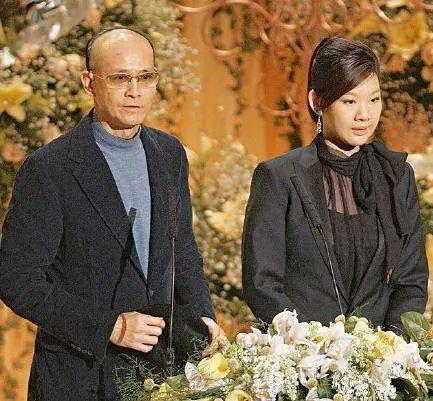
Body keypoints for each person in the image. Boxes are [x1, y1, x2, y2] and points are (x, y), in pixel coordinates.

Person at [0, 27, 226, 401]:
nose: (135, 91)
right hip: (79, 379)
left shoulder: (169, 154)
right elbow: (17, 280)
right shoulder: (49, 168)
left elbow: (182, 251)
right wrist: (110, 327)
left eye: (145, 78)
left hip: (160, 376)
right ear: (89, 82)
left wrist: (203, 317)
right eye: (121, 78)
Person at [242, 37, 428, 331]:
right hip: (302, 353)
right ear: (317, 102)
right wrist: (308, 344)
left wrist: (391, 345)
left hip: (380, 354)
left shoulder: (396, 176)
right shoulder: (278, 177)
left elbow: (411, 279)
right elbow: (261, 284)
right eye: (349, 101)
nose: (364, 115)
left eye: (374, 99)